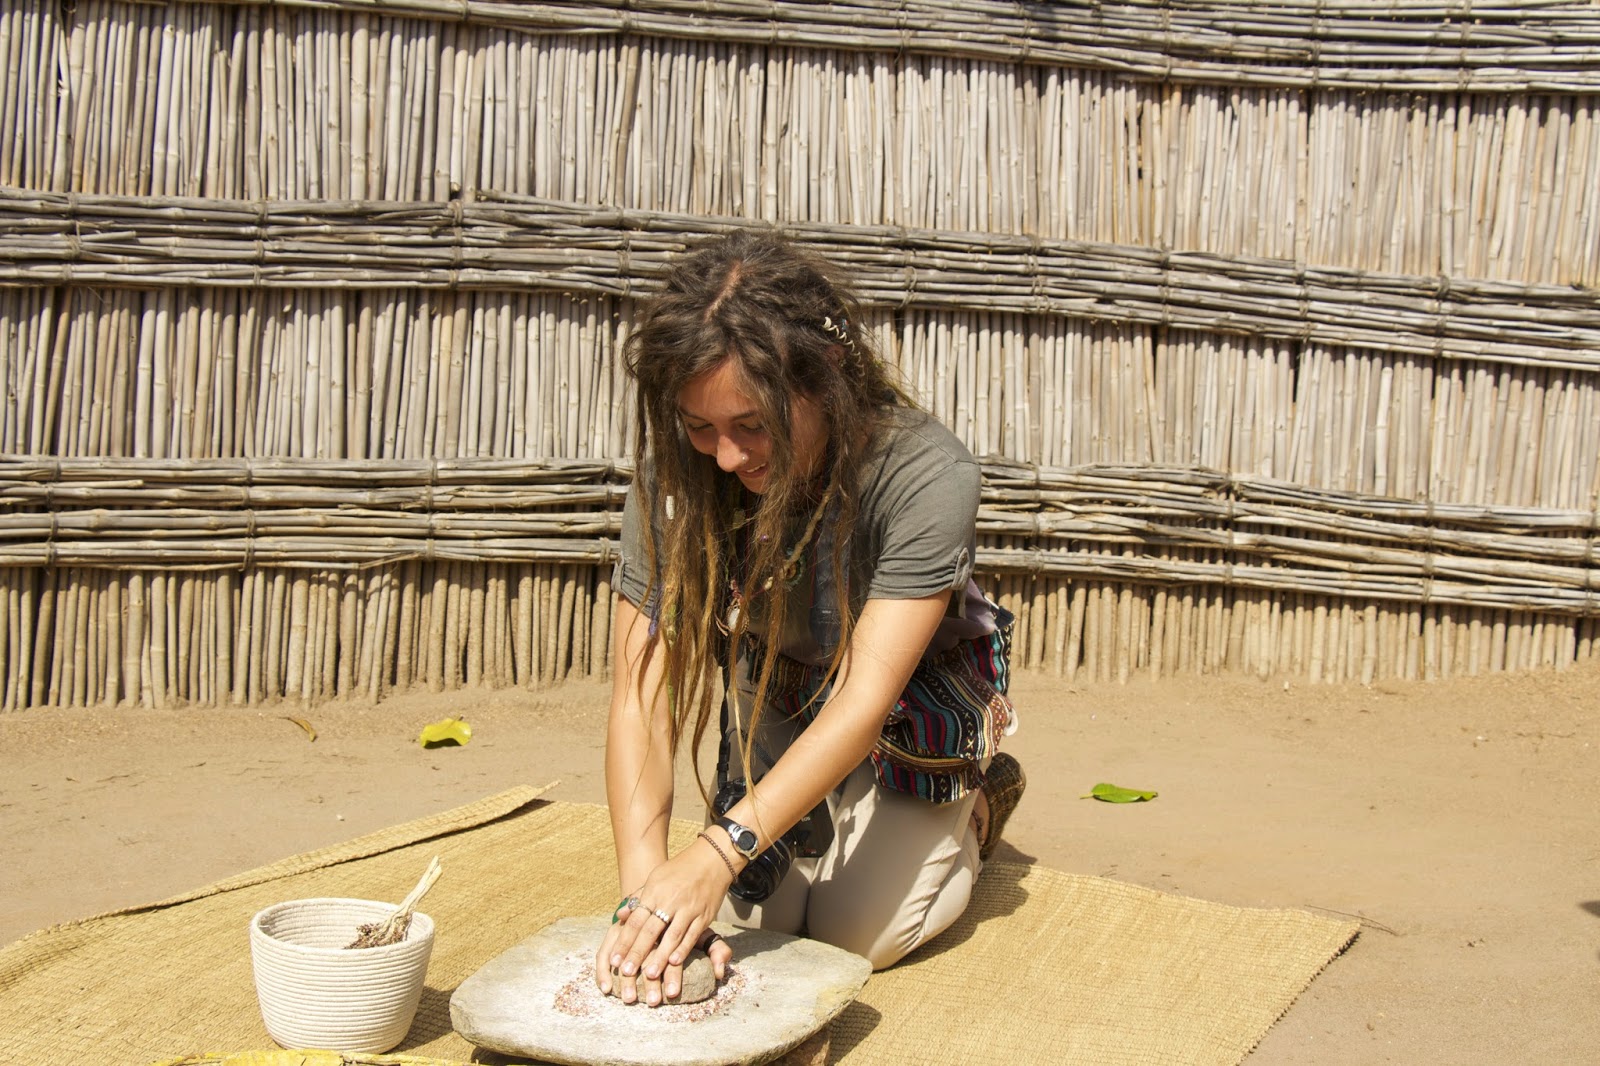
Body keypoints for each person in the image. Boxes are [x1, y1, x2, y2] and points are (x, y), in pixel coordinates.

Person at [595, 228, 1026, 1007]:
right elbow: (640, 693)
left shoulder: (928, 474)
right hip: (781, 697)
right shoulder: (680, 473)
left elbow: (865, 697)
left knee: (852, 935)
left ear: (825, 375)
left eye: (752, 425)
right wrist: (647, 898)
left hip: (905, 708)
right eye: (700, 427)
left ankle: (979, 804)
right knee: (757, 922)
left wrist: (717, 850)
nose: (725, 458)